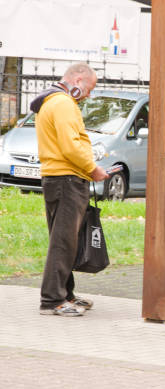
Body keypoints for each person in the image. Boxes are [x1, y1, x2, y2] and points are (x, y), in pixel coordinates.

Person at [30, 63, 109, 316]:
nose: (89, 95)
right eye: (89, 88)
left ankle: (66, 294)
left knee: (66, 239)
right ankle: (52, 300)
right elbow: (71, 146)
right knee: (63, 242)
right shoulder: (63, 104)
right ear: (77, 79)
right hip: (67, 179)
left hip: (59, 178)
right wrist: (93, 169)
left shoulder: (52, 101)